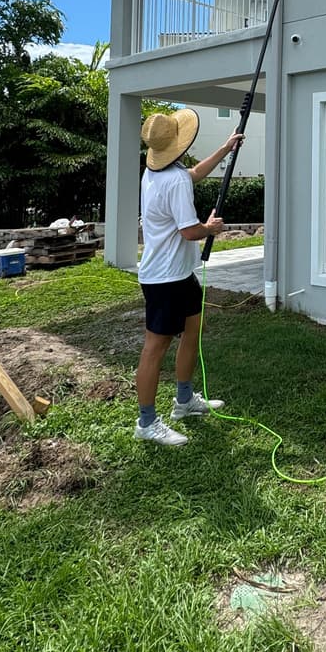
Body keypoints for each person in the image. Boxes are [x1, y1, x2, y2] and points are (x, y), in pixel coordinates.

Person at [133, 109, 244, 446]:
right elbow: (188, 231)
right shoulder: (172, 180)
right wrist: (210, 228)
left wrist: (226, 149)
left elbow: (194, 173)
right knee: (155, 347)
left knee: (192, 333)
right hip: (164, 279)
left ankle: (184, 401)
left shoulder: (159, 173)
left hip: (179, 275)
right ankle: (147, 423)